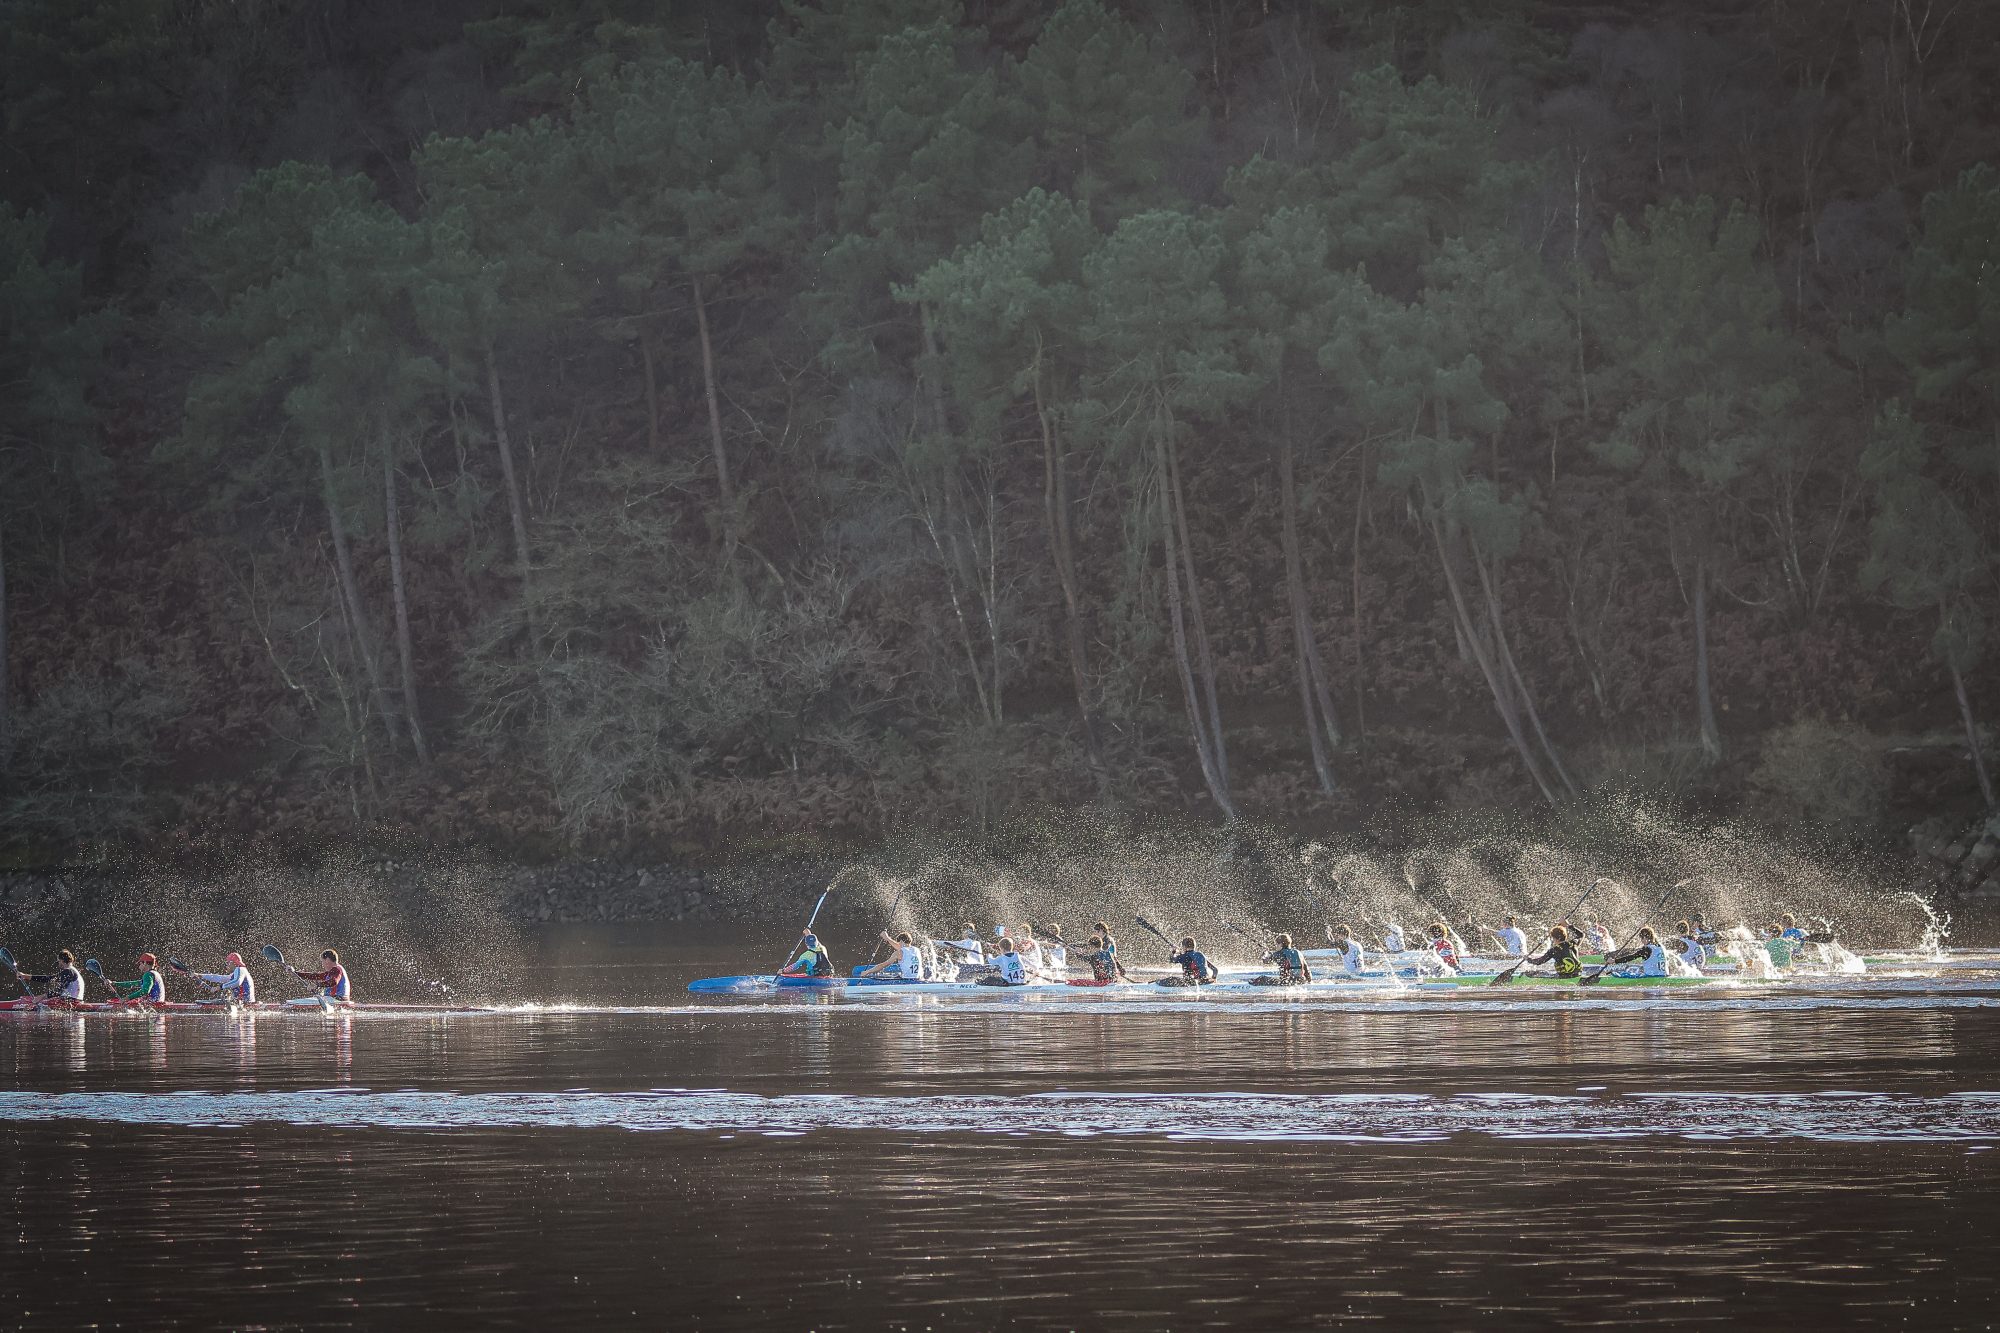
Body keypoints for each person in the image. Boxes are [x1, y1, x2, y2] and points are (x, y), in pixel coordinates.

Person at [17, 950, 85, 1005]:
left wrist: (42, 996)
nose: (58, 964)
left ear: (62, 960)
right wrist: (25, 976)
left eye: (58, 961)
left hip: (70, 1002)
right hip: (76, 1001)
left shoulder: (68, 971)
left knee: (38, 1001)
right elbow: (47, 979)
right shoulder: (73, 971)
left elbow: (59, 991)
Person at [1600, 927, 1669, 979]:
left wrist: (1614, 961)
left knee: (1622, 975)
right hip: (1664, 976)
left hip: (1652, 977)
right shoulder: (1660, 946)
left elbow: (1631, 957)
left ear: (1644, 937)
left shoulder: (1646, 949)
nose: (1641, 941)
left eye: (1641, 938)